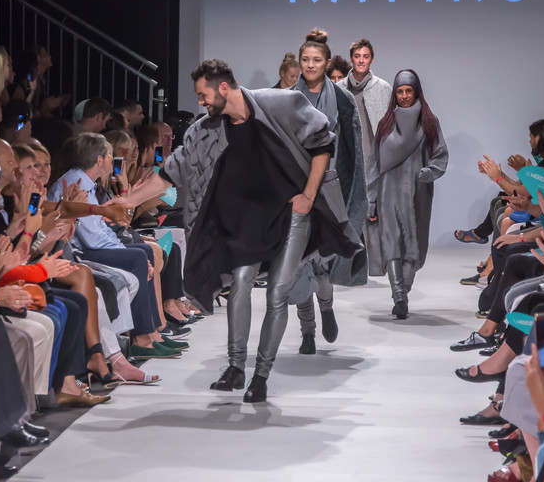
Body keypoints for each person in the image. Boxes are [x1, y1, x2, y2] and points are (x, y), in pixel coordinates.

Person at [109, 59, 362, 402]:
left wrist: (308, 195)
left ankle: (261, 375)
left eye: (203, 94)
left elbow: (323, 143)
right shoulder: (205, 130)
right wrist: (127, 201)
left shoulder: (281, 103)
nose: (200, 101)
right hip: (248, 221)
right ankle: (236, 366)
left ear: (224, 88)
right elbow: (169, 173)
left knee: (278, 292)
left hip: (291, 214)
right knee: (241, 282)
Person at [289, 29, 367, 353]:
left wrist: (356, 194)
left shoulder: (343, 99)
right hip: (295, 186)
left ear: (327, 62)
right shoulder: (287, 98)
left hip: (332, 186)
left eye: (316, 60)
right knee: (297, 261)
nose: (310, 65)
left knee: (323, 259)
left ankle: (326, 306)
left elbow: (354, 150)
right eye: (305, 60)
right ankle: (307, 331)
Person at [365, 69, 448, 319]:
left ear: (416, 91)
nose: (403, 96)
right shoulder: (386, 124)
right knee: (391, 242)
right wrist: (371, 200)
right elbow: (374, 164)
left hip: (417, 192)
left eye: (408, 91)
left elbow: (440, 154)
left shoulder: (429, 123)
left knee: (414, 245)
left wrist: (428, 172)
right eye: (399, 91)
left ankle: (403, 291)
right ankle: (399, 296)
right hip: (388, 191)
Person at [336, 38, 392, 165]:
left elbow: (392, 127)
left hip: (377, 162)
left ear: (371, 60)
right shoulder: (338, 89)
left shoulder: (384, 89)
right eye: (357, 56)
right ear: (351, 59)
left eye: (366, 57)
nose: (361, 61)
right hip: (346, 161)